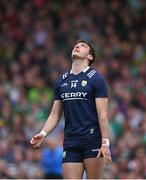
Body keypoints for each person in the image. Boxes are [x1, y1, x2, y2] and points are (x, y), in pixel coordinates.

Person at [30, 39, 112, 179]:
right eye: (76, 45)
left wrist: (105, 143)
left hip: (92, 140)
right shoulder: (62, 80)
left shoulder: (96, 79)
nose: (77, 46)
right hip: (70, 140)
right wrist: (43, 134)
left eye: (82, 46)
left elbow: (102, 114)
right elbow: (55, 115)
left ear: (90, 56)